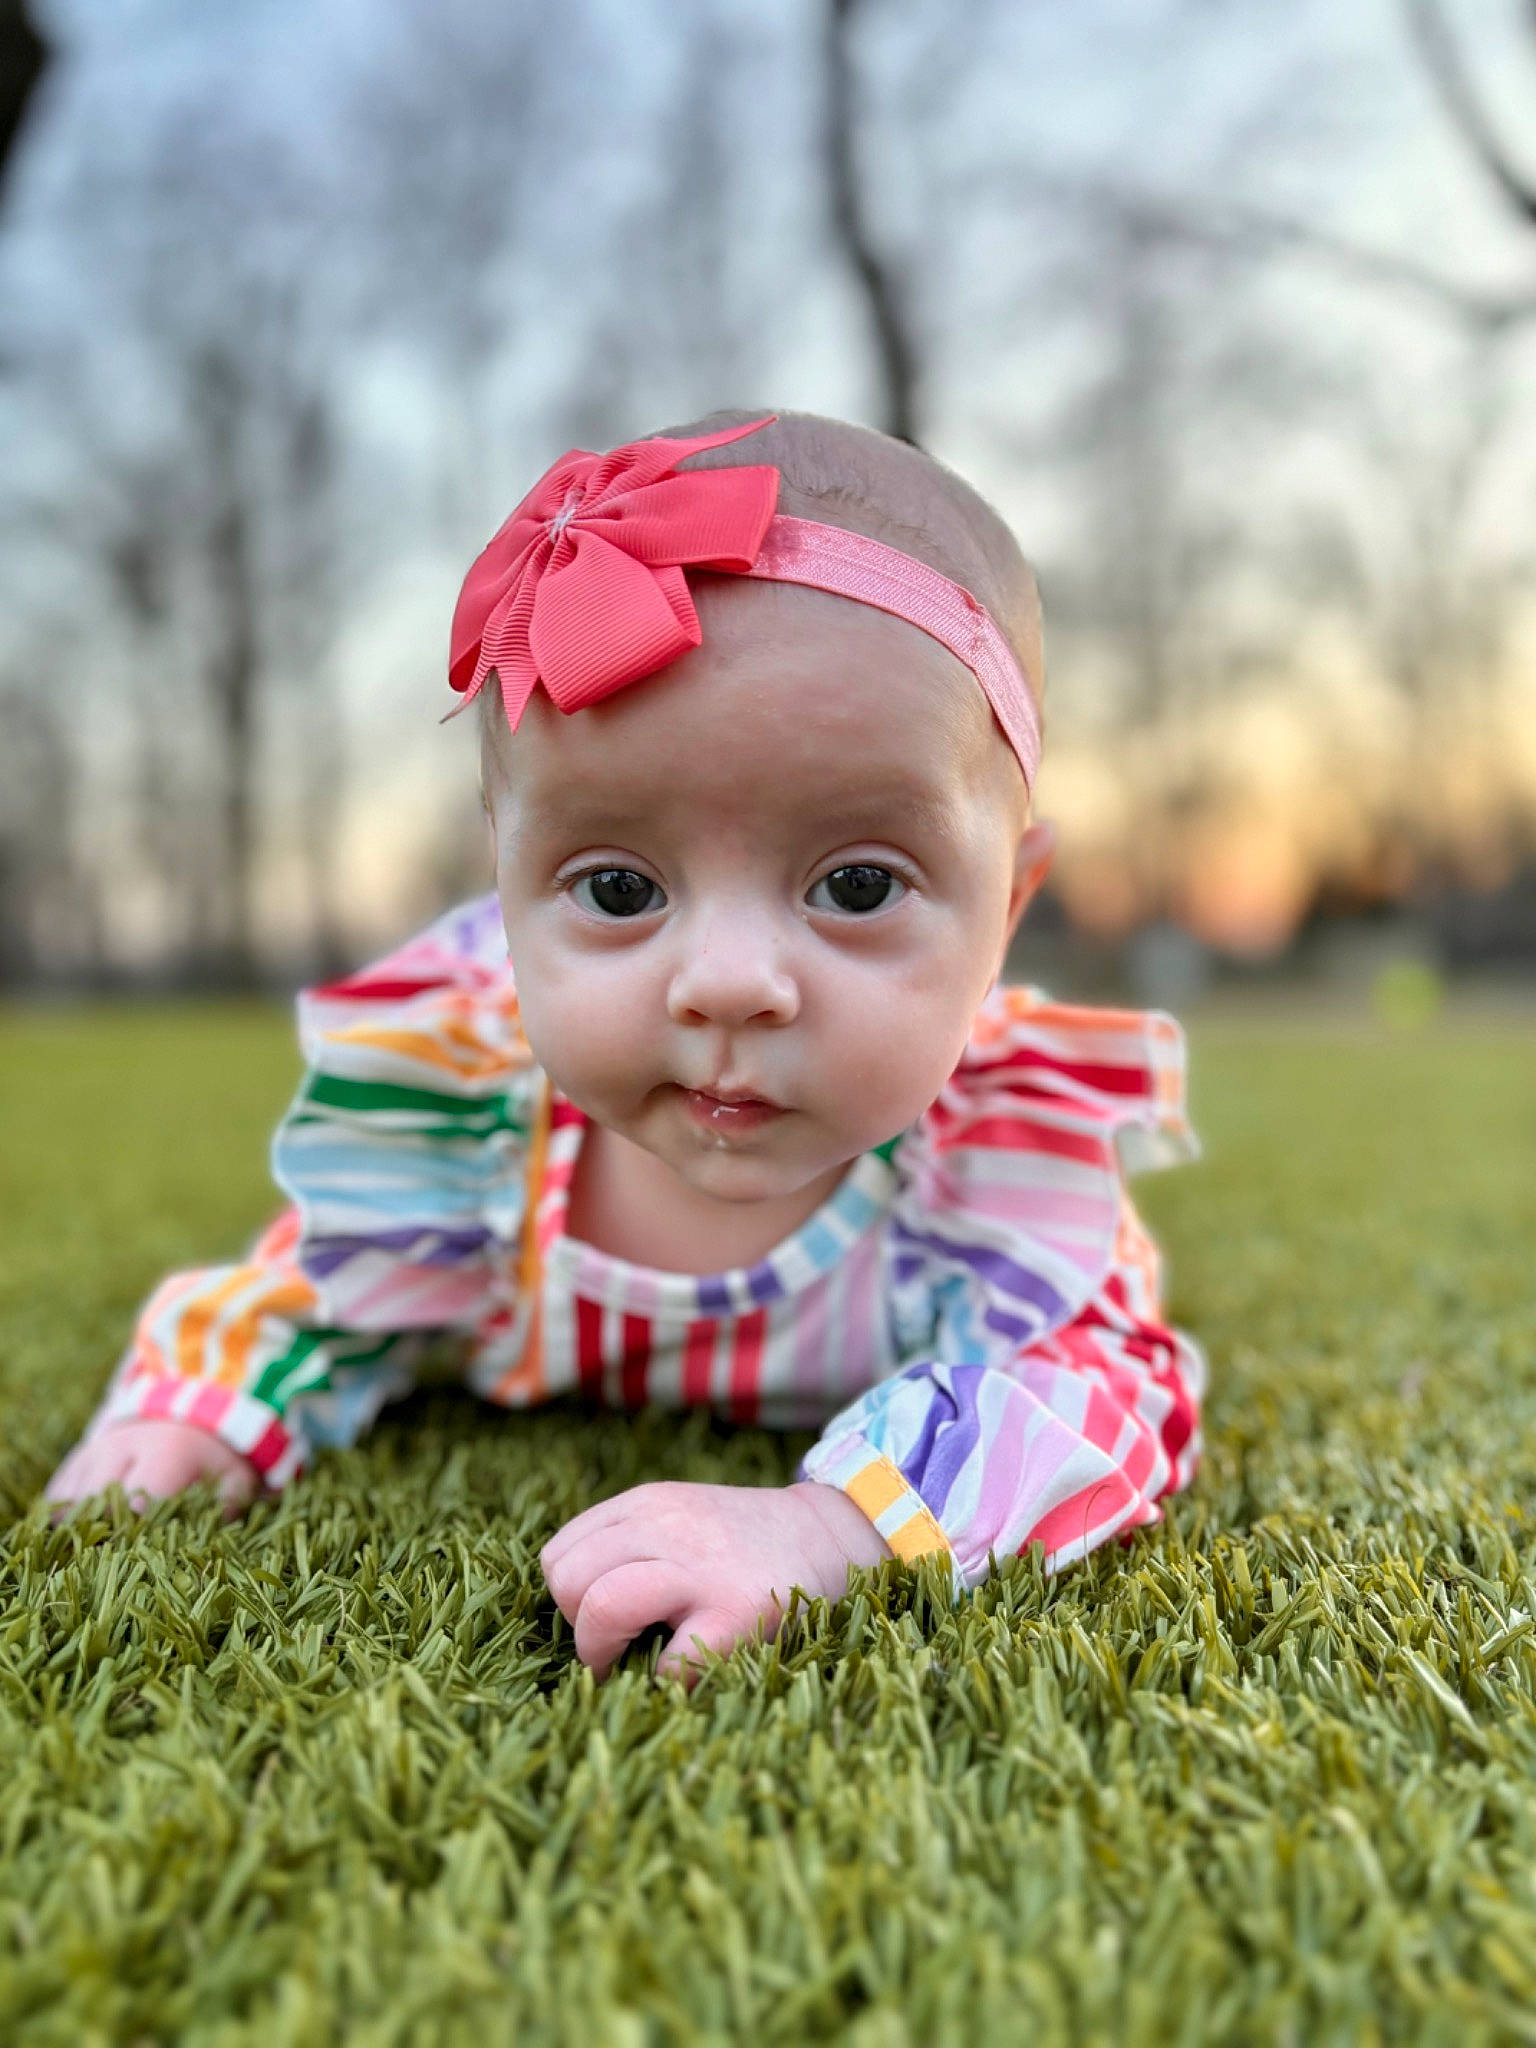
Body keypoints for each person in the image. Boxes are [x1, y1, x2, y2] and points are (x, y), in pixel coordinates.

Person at [44, 410, 1205, 1681]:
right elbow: (302, 1294)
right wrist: (197, 1414)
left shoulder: (988, 1164)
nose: (727, 984)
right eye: (615, 889)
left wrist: (838, 1527)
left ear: (1005, 912)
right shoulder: (466, 1124)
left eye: (859, 885)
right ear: (504, 882)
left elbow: (1102, 1388)